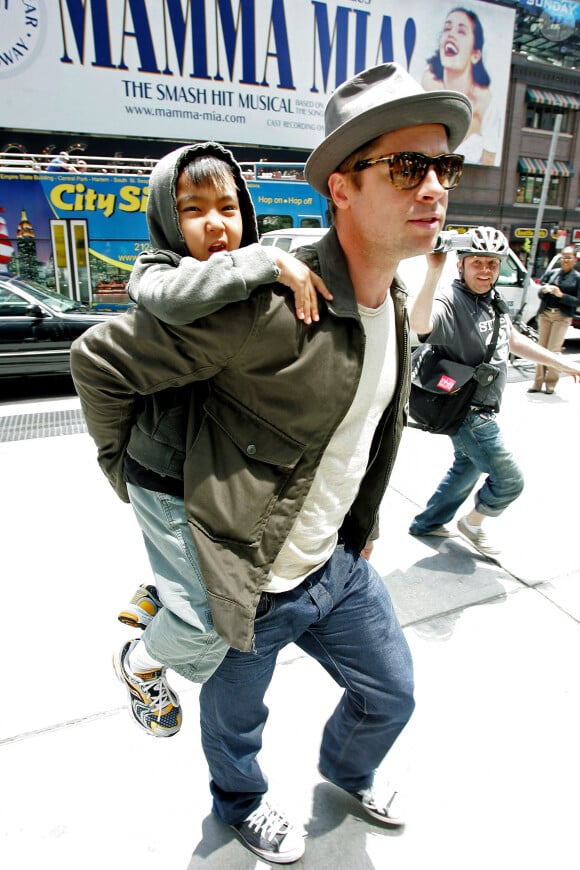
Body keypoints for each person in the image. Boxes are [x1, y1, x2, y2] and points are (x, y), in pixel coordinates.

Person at [71, 62, 472, 864]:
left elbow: (369, 433)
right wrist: (129, 473)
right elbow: (99, 363)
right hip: (250, 577)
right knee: (235, 727)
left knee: (391, 693)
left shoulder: (392, 297)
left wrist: (362, 526)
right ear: (342, 188)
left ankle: (345, 772)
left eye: (444, 167)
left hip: (338, 566)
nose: (434, 187)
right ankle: (241, 803)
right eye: (407, 166)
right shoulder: (262, 304)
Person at [99, 140, 332, 738]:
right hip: (166, 478)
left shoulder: (250, 280)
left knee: (227, 584)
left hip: (220, 473)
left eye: (228, 207)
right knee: (206, 624)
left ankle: (161, 589)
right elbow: (179, 298)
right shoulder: (157, 271)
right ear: (165, 217)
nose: (216, 224)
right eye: (193, 209)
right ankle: (144, 664)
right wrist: (270, 262)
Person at [409, 227, 580, 560]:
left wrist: (564, 363)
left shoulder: (490, 300)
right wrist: (432, 272)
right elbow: (419, 325)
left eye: (492, 263)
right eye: (477, 263)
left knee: (466, 468)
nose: (485, 270)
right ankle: (473, 525)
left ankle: (427, 523)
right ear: (461, 265)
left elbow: (512, 341)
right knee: (509, 481)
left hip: (481, 406)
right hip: (469, 412)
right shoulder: (452, 300)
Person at [422, 7, 500, 165]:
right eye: (447, 28)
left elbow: (489, 161)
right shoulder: (424, 85)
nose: (451, 34)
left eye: (461, 31)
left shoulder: (487, 105)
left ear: (475, 55)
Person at [529, 246, 580, 394]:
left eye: (568, 257)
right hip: (545, 314)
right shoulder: (552, 273)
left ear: (574, 259)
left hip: (561, 316)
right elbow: (540, 291)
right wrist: (544, 290)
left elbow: (577, 301)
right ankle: (537, 382)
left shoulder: (577, 278)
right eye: (563, 257)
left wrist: (561, 295)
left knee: (553, 350)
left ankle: (550, 383)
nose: (565, 260)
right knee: (540, 349)